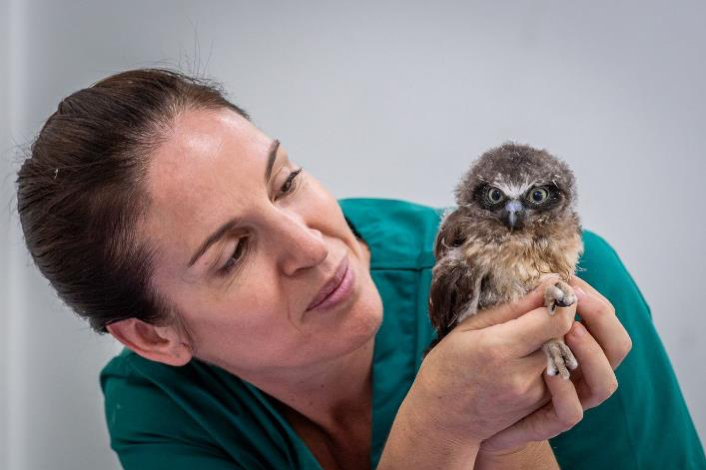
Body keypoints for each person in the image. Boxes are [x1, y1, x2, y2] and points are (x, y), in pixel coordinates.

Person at [15, 69, 704, 469]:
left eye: (285, 182)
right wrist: (439, 428)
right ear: (155, 338)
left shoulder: (568, 293)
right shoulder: (162, 406)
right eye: (234, 253)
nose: (314, 247)